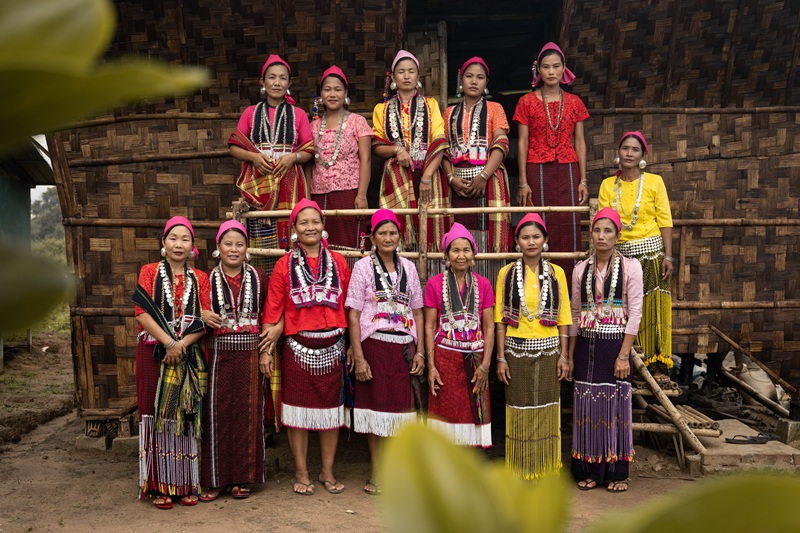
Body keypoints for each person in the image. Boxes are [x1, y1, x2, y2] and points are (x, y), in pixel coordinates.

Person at [260, 199, 351, 496]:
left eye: (315, 221)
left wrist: (352, 346)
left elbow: (349, 306)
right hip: (298, 348)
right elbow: (273, 309)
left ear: (323, 226)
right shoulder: (283, 265)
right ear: (294, 230)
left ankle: (327, 470)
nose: (310, 227)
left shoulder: (338, 262)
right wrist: (265, 350)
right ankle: (301, 472)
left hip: (333, 345)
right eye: (304, 222)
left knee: (331, 413)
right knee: (297, 414)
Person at [132, 216, 211, 509]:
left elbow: (204, 320)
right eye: (173, 238)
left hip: (187, 354)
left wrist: (181, 345)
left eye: (185, 239)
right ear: (163, 243)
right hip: (154, 353)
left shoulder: (201, 278)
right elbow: (141, 312)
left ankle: (185, 482)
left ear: (193, 246)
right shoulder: (149, 271)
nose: (179, 244)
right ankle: (157, 484)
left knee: (184, 415)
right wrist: (169, 343)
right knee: (155, 415)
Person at [346, 209, 425, 495]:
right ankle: (377, 473)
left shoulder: (410, 268)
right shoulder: (363, 267)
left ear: (400, 237)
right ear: (372, 238)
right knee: (375, 414)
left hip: (403, 348)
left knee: (400, 414)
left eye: (393, 233)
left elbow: (417, 311)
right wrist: (359, 356)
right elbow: (353, 314)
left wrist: (420, 353)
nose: (388, 238)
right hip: (374, 346)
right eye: (382, 233)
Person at [197, 220, 274, 502]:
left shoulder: (259, 278)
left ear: (247, 248)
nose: (233, 249)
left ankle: (242, 479)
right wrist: (203, 314)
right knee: (217, 414)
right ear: (218, 247)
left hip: (251, 354)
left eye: (239, 244)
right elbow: (195, 310)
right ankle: (215, 479)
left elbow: (270, 315)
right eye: (227, 244)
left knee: (248, 414)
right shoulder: (206, 279)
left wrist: (267, 351)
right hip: (217, 354)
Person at [569, 208, 643, 493]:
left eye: (608, 231)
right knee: (587, 404)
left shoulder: (631, 267)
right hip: (587, 345)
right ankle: (588, 470)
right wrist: (570, 355)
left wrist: (624, 355)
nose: (602, 236)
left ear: (617, 235)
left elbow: (634, 313)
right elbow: (576, 315)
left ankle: (616, 473)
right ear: (591, 234)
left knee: (614, 406)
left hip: (615, 345)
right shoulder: (580, 269)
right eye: (597, 230)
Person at [494, 213, 572, 480]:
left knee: (547, 408)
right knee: (518, 407)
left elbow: (564, 318)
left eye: (536, 236)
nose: (531, 242)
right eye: (525, 237)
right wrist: (501, 358)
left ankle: (545, 467)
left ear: (545, 240)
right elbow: (499, 321)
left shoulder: (557, 273)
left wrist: (564, 356)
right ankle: (521, 468)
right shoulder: (506, 273)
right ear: (516, 242)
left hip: (550, 350)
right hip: (515, 350)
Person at [598, 131, 674, 383]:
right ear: (618, 153)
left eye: (635, 150)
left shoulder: (654, 181)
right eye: (625, 148)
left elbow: (665, 219)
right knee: (626, 310)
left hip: (652, 254)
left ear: (643, 156)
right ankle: (629, 360)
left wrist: (669, 256)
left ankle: (657, 365)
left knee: (653, 308)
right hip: (621, 257)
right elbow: (604, 221)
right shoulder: (608, 185)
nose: (629, 153)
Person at [228, 54, 314, 272]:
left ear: (289, 84)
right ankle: (263, 283)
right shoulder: (250, 113)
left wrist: (292, 157)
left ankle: (291, 279)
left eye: (283, 78)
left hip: (289, 183)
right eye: (272, 77)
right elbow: (234, 145)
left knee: (290, 235)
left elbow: (309, 149)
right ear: (263, 82)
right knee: (260, 236)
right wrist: (254, 157)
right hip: (258, 184)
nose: (277, 83)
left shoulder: (299, 114)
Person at [514, 42, 589, 285]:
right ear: (538, 70)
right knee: (538, 222)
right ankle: (538, 285)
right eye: (546, 67)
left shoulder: (575, 102)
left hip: (568, 169)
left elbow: (579, 142)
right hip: (537, 169)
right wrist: (523, 182)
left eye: (556, 66)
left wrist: (583, 180)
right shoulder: (526, 101)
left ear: (564, 69)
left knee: (569, 225)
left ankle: (570, 287)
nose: (551, 71)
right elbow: (522, 143)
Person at [424, 223, 495, 447]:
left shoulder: (483, 285)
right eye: (455, 250)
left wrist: (485, 365)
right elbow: (429, 326)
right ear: (447, 254)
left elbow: (489, 326)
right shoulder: (435, 284)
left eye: (466, 250)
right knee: (445, 417)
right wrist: (432, 366)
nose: (461, 255)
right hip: (444, 361)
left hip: (475, 363)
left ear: (473, 254)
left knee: (472, 417)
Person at [372, 49, 450, 252]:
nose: (406, 76)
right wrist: (397, 150)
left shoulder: (431, 105)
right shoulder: (381, 109)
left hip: (429, 175)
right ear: (393, 77)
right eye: (401, 72)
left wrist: (426, 177)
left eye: (411, 71)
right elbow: (377, 145)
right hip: (396, 176)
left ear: (418, 76)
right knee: (399, 229)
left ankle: (430, 277)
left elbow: (439, 141)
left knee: (430, 231)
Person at [442, 56, 512, 282]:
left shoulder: (495, 108)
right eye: (469, 76)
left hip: (487, 183)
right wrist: (451, 178)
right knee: (457, 234)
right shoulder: (448, 112)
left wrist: (483, 176)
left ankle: (487, 288)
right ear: (460, 80)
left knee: (486, 238)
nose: (474, 81)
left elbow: (501, 143)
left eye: (480, 77)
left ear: (486, 82)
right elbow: (442, 149)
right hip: (455, 186)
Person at [310, 66, 373, 251]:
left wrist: (361, 195)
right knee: (320, 243)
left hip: (349, 193)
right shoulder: (312, 126)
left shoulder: (357, 121)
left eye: (338, 89)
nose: (332, 94)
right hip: (319, 194)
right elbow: (308, 164)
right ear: (320, 94)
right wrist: (307, 197)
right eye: (327, 89)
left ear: (345, 93)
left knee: (348, 244)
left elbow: (366, 160)